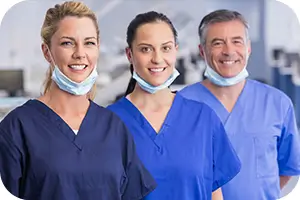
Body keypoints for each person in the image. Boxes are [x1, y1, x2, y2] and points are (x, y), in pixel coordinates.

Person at [0, 2, 157, 200]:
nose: (80, 53)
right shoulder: (16, 128)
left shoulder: (114, 128)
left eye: (89, 43)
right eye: (67, 43)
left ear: (98, 49)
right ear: (47, 52)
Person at [107, 11, 241, 200]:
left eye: (166, 48)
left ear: (176, 50)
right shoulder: (108, 123)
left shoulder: (203, 118)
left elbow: (214, 194)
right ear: (130, 54)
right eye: (146, 49)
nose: (157, 59)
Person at [179, 9, 300, 200]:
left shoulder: (277, 103)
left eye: (236, 41)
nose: (228, 51)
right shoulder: (181, 104)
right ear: (202, 51)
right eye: (217, 43)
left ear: (248, 48)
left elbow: (288, 169)